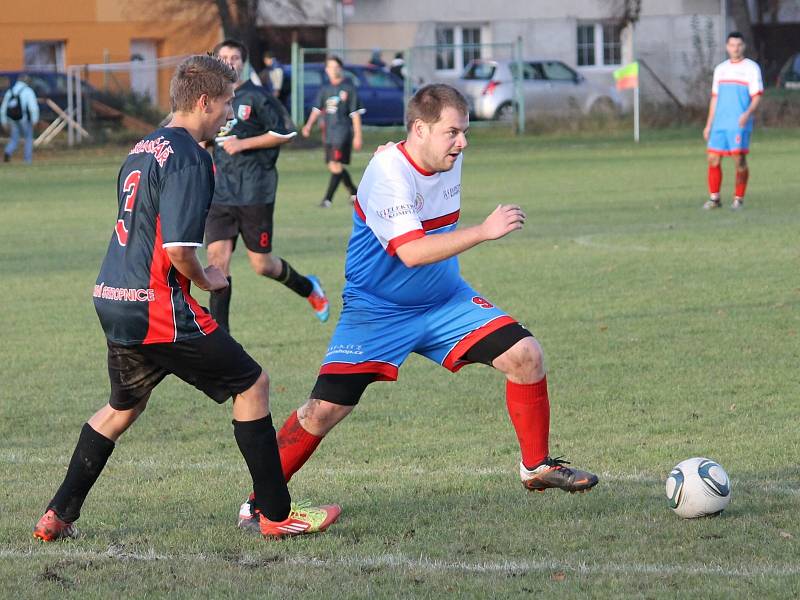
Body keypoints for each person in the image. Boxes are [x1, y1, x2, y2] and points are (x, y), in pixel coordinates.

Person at [237, 84, 598, 528]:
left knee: (526, 355)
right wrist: (484, 231)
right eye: (452, 132)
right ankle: (259, 503)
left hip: (445, 300)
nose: (462, 143)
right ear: (420, 129)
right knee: (322, 410)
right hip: (378, 311)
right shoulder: (388, 171)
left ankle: (536, 466)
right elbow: (410, 252)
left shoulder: (445, 154)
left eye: (465, 132)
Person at [32, 55, 340, 542]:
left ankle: (57, 515)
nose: (229, 114)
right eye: (226, 104)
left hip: (112, 295)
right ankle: (278, 515)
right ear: (203, 101)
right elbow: (177, 249)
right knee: (253, 383)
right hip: (154, 303)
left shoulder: (142, 148)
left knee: (122, 408)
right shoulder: (191, 155)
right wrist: (209, 278)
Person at [207, 39, 330, 332]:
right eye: (223, 58)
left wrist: (244, 143)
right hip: (220, 193)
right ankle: (221, 340)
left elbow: (286, 132)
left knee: (262, 265)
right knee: (216, 263)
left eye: (234, 57)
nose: (228, 63)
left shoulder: (257, 96)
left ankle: (308, 288)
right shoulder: (211, 99)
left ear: (243, 62)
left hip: (255, 190)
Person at [702, 32, 763, 210]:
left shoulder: (751, 68)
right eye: (732, 45)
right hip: (720, 123)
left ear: (743, 46)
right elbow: (715, 98)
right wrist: (708, 124)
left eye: (739, 45)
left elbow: (757, 96)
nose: (735, 48)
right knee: (713, 158)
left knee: (739, 160)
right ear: (727, 47)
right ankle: (714, 199)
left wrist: (747, 114)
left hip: (739, 123)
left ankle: (739, 199)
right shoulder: (720, 69)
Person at [302, 56, 364, 208]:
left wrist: (358, 135)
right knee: (334, 166)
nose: (333, 70)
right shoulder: (325, 89)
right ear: (326, 70)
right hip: (329, 133)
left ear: (341, 69)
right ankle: (355, 193)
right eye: (330, 67)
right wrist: (308, 125)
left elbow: (355, 114)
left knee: (335, 164)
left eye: (336, 67)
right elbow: (317, 110)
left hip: (342, 133)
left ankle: (327, 200)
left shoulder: (349, 88)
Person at [1, 75, 39, 164]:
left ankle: (8, 151)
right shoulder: (28, 91)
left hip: (12, 119)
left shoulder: (10, 91)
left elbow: (3, 108)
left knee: (14, 139)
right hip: (24, 119)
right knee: (28, 138)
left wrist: (3, 121)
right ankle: (27, 160)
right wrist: (35, 120)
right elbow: (33, 107)